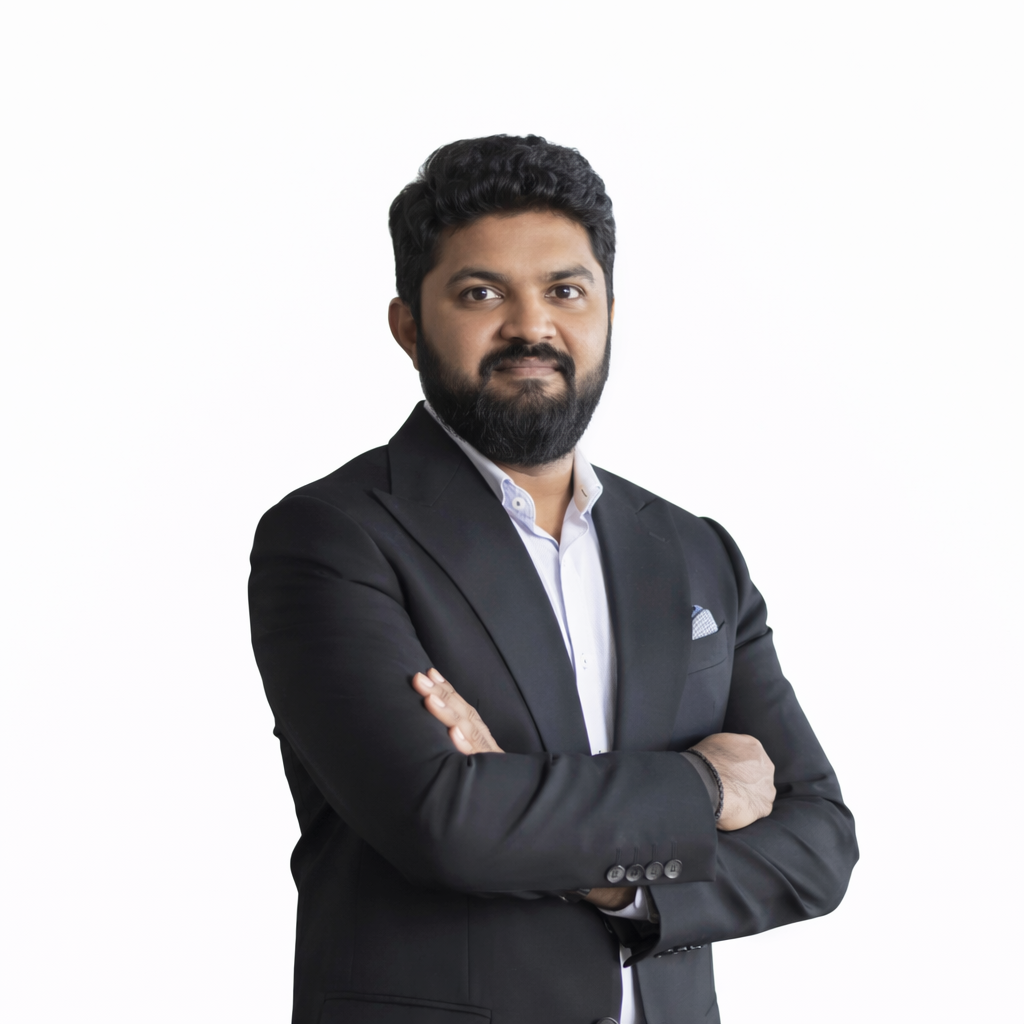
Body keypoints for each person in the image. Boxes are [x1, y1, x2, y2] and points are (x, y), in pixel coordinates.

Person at [248, 134, 858, 1024]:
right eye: (481, 293)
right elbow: (443, 823)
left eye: (565, 291)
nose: (531, 327)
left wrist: (604, 876)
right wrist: (702, 790)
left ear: (608, 310)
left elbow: (820, 846)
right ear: (409, 326)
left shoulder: (693, 551)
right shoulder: (334, 538)